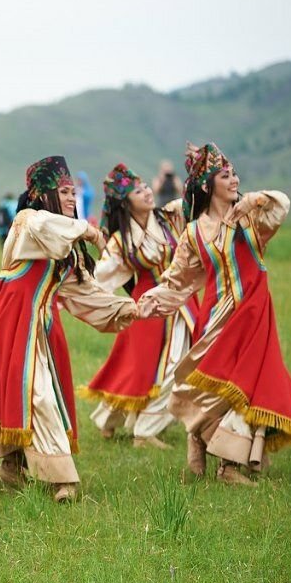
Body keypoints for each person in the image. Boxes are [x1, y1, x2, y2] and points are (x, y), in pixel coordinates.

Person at [138, 143, 291, 484]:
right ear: (208, 185)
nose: (234, 180)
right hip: (219, 317)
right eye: (225, 175)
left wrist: (253, 199)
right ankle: (215, 454)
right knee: (223, 386)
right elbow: (177, 280)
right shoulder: (193, 232)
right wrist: (146, 303)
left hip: (255, 312)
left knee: (251, 384)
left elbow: (282, 203)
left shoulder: (252, 217)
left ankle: (225, 457)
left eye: (234, 173)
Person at [0, 156, 136, 503]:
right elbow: (46, 228)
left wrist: (133, 307)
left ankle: (12, 464)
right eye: (64, 191)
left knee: (31, 390)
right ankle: (62, 479)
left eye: (74, 192)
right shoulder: (28, 222)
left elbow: (86, 297)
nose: (73, 198)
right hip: (14, 320)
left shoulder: (67, 251)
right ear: (42, 195)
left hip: (38, 322)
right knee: (36, 392)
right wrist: (87, 230)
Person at [79, 163, 198, 449]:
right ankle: (143, 431)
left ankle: (110, 421)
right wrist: (71, 290)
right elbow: (101, 277)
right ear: (125, 201)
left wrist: (199, 169)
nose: (146, 192)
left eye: (145, 187)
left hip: (183, 301)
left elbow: (196, 202)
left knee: (171, 364)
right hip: (149, 306)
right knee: (151, 367)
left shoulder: (170, 217)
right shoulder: (122, 241)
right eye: (137, 190)